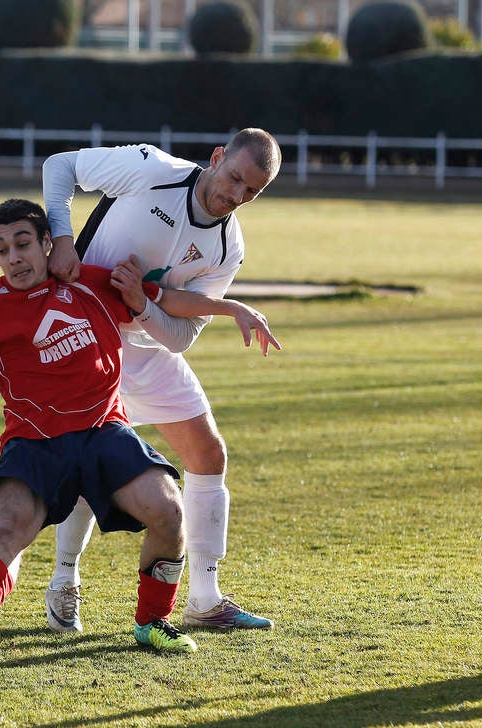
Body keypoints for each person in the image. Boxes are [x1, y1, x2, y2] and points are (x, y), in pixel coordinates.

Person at [0, 198, 215, 654]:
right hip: (34, 441)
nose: (13, 258)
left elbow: (170, 301)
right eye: (1, 250)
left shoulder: (92, 283)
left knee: (169, 511)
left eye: (23, 244)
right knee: (10, 524)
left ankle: (153, 623)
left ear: (48, 243)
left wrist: (231, 309)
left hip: (104, 430)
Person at [41, 128, 282, 634]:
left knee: (208, 454)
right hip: (85, 339)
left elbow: (179, 336)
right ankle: (64, 581)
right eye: (235, 177)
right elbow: (59, 167)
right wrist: (63, 239)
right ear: (217, 157)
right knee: (94, 461)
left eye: (252, 192)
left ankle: (205, 598)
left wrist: (143, 305)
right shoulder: (152, 169)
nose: (235, 196)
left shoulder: (228, 245)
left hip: (146, 349)